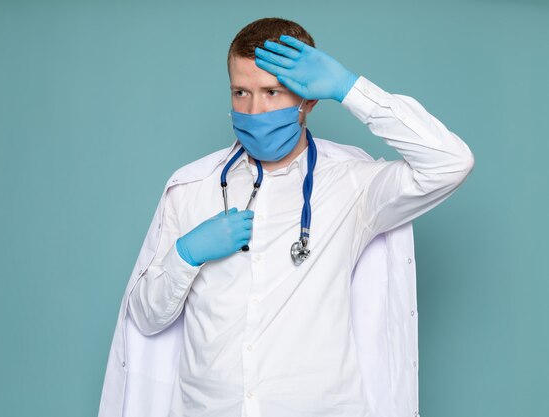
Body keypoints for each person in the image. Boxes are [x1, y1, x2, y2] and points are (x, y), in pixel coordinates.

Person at [99, 17, 474, 417]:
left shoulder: (353, 186)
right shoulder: (191, 188)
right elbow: (145, 317)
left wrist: (351, 88)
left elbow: (450, 163)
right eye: (241, 92)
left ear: (308, 99)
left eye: (272, 92)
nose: (254, 109)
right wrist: (185, 255)